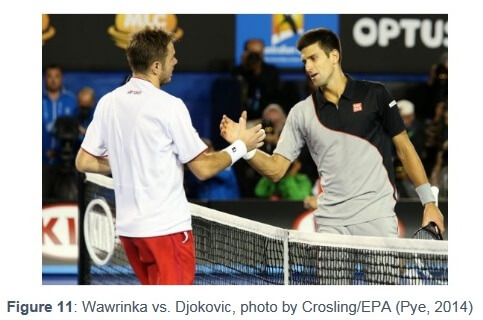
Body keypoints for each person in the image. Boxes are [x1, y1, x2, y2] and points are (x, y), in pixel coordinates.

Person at [75, 27, 265, 285]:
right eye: (171, 56)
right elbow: (203, 168)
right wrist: (241, 147)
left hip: (130, 234)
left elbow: (84, 161)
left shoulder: (108, 102)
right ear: (155, 66)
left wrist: (128, 163)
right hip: (165, 232)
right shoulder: (169, 106)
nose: (175, 61)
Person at [221, 27, 445, 238]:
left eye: (313, 58)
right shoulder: (301, 112)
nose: (308, 67)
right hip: (330, 224)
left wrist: (429, 203)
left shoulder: (376, 95)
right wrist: (245, 149)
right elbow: (276, 170)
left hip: (377, 218)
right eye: (304, 61)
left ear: (334, 56)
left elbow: (405, 150)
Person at [42, 64, 77, 201]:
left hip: (65, 165)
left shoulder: (72, 101)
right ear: (45, 78)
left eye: (56, 76)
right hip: (42, 164)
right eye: (50, 76)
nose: (53, 80)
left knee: (64, 205)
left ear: (61, 78)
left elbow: (78, 129)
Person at [232, 38, 281, 120]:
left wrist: (257, 71)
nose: (255, 57)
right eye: (252, 54)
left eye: (258, 54)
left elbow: (271, 95)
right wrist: (245, 67)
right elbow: (234, 98)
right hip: (240, 117)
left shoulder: (271, 71)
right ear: (245, 53)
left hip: (264, 116)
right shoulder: (238, 72)